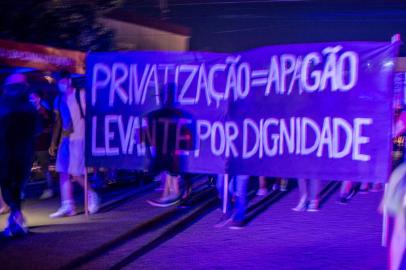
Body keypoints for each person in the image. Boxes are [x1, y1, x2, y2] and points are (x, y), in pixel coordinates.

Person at [49, 71, 99, 218]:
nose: (60, 84)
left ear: (68, 80)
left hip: (79, 138)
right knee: (63, 172)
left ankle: (92, 195)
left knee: (76, 174)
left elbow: (91, 115)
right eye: (57, 81)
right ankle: (67, 205)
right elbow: (59, 121)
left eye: (62, 81)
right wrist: (54, 141)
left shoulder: (81, 94)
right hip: (65, 140)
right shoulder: (58, 99)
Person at [0, 73, 40, 237]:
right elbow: (36, 128)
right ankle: (16, 220)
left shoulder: (6, 104)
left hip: (8, 152)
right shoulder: (27, 107)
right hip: (22, 152)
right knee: (15, 186)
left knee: (10, 186)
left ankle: (16, 219)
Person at [145, 83, 196, 207]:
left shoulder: (175, 114)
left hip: (175, 149)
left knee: (172, 169)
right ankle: (170, 195)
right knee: (169, 169)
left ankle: (176, 194)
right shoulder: (165, 114)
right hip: (170, 148)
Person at [29, 89, 54, 199]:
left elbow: (49, 128)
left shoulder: (44, 112)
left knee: (45, 167)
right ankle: (21, 192)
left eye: (33, 98)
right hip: (31, 145)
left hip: (42, 145)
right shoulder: (30, 112)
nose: (31, 100)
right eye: (30, 98)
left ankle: (49, 189)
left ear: (38, 99)